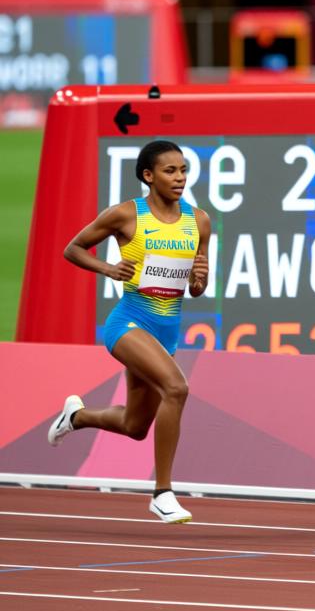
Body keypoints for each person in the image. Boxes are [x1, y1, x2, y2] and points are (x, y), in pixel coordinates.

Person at [50, 140, 211, 524]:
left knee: (135, 426)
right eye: (170, 171)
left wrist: (199, 280)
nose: (180, 178)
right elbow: (73, 249)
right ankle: (163, 492)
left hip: (165, 332)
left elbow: (196, 287)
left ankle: (77, 416)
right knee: (177, 388)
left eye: (184, 170)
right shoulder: (125, 215)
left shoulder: (199, 221)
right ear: (148, 176)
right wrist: (108, 269)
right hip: (128, 324)